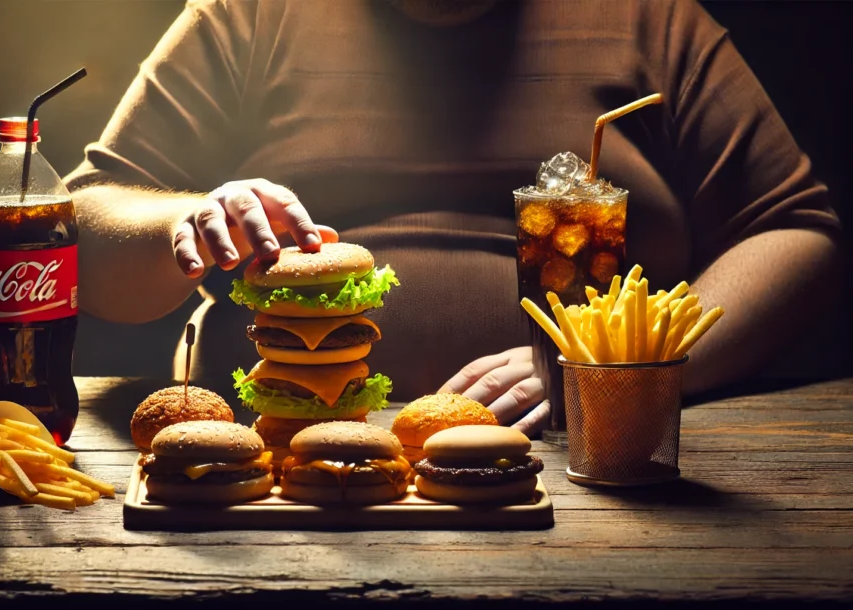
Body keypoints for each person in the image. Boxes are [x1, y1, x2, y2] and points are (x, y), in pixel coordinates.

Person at [64, 0, 842, 435]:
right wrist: (190, 220)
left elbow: (795, 230)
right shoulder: (248, 15)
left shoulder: (650, 17)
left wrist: (631, 367)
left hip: (602, 463)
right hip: (269, 471)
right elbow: (84, 226)